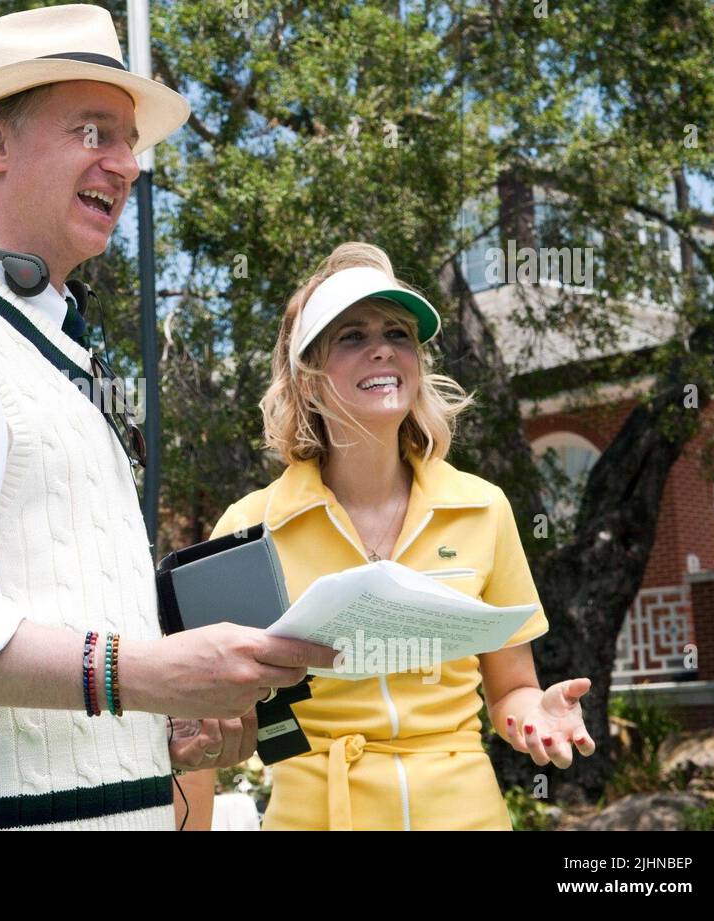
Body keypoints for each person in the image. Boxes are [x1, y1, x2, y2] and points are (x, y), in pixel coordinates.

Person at [0, 3, 334, 831]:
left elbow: (73, 651)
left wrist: (177, 720)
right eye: (94, 132)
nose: (128, 164)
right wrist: (148, 673)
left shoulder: (53, 347)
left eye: (130, 142)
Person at [197, 242, 595, 830]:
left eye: (399, 334)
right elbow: (199, 719)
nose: (383, 347)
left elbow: (511, 689)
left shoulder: (484, 508)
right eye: (351, 336)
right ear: (307, 375)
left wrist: (536, 715)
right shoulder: (248, 529)